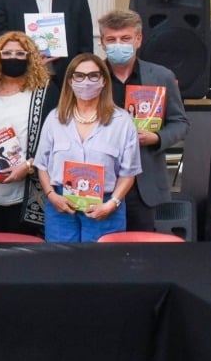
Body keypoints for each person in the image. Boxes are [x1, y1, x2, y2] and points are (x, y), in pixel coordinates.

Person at [98, 10, 189, 231]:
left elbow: (180, 123)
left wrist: (156, 138)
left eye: (125, 38)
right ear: (102, 43)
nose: (118, 44)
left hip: (143, 184)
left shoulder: (161, 76)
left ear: (138, 39)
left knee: (140, 252)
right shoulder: (91, 75)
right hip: (99, 181)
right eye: (111, 39)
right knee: (99, 252)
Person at [35, 53, 141, 242]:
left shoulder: (122, 121)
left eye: (93, 76)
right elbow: (42, 166)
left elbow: (129, 172)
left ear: (103, 80)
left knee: (102, 267)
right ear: (70, 81)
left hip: (106, 205)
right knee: (61, 264)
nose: (86, 82)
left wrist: (112, 204)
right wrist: (51, 196)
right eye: (79, 76)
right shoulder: (54, 118)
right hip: (61, 206)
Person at [0, 31, 60, 236]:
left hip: (28, 186)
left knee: (23, 252)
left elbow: (57, 138)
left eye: (19, 53)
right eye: (6, 53)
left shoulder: (46, 91)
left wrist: (28, 166)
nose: (13, 58)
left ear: (30, 57)